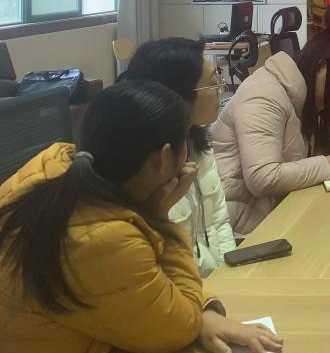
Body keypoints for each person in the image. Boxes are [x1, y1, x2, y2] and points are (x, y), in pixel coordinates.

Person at [0, 81, 283, 353]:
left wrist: (205, 312)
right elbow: (180, 326)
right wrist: (160, 217)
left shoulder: (54, 162)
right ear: (163, 158)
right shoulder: (104, 239)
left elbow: (147, 293)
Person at [212, 35, 330, 237]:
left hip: (272, 211)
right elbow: (262, 178)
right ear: (321, 68)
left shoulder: (294, 93)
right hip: (240, 226)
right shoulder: (264, 95)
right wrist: (329, 165)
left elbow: (319, 131)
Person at [120, 37, 235, 278]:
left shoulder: (198, 143)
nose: (220, 89)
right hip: (183, 290)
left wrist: (230, 276)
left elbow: (219, 221)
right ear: (179, 95)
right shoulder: (145, 172)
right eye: (213, 83)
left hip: (215, 283)